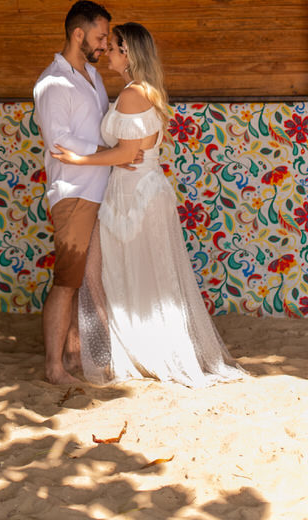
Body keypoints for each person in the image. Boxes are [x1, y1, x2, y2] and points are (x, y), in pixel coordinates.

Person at [52, 22, 242, 388]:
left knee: (127, 275)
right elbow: (127, 151)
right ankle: (127, 347)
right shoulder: (139, 91)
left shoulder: (133, 94)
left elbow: (127, 153)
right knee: (120, 273)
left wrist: (78, 160)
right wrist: (113, 155)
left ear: (127, 53)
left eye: (113, 47)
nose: (107, 51)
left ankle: (138, 350)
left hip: (134, 197)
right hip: (133, 192)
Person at [33, 0, 113, 384]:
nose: (104, 44)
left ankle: (75, 356)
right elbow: (58, 140)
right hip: (74, 191)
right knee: (67, 280)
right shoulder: (52, 83)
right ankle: (54, 367)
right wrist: (110, 152)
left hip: (100, 188)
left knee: (86, 278)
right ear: (78, 34)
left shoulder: (93, 76)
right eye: (100, 37)